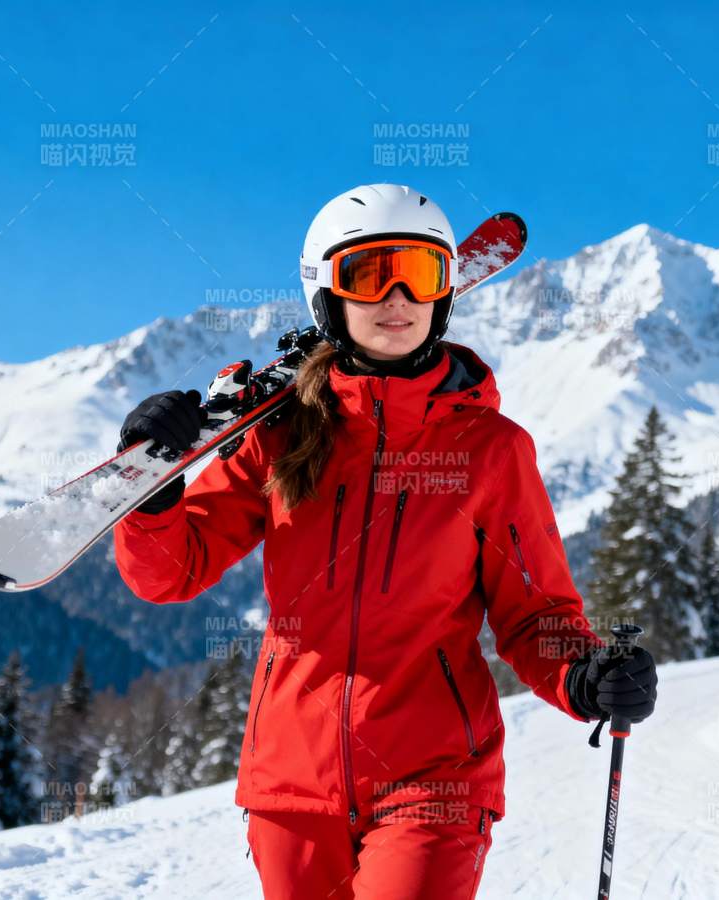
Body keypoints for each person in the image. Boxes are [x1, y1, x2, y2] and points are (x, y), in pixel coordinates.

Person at [112, 183, 659, 899]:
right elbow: (170, 573)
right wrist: (148, 491)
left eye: (423, 275)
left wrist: (582, 675)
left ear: (445, 294)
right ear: (327, 296)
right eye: (371, 275)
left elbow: (535, 613)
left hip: (435, 778)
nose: (398, 297)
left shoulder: (490, 450)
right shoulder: (279, 436)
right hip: (291, 784)